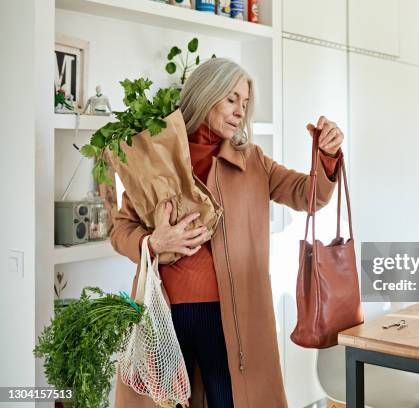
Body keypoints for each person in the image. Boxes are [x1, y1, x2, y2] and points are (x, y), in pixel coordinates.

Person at [110, 58, 344, 408]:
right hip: (165, 316)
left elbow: (308, 195)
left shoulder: (253, 161)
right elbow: (120, 229)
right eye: (232, 99)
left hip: (232, 318)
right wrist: (153, 243)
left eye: (245, 103)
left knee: (230, 401)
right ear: (206, 94)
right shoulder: (156, 159)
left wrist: (326, 156)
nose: (240, 111)